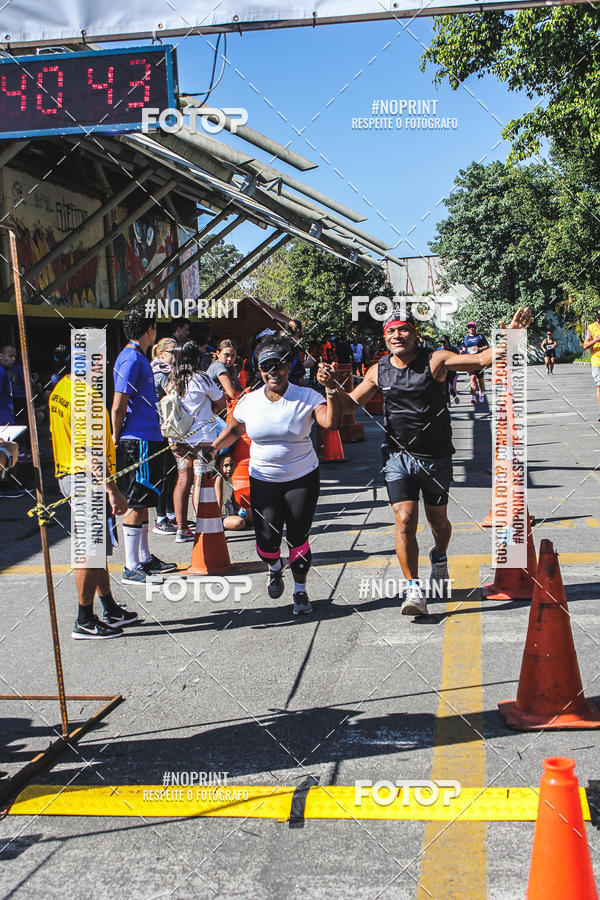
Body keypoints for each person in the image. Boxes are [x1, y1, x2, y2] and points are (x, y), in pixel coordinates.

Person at [333, 306, 532, 617]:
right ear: (384, 338)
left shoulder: (436, 359)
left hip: (436, 457)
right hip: (398, 457)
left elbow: (480, 360)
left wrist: (510, 338)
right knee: (404, 520)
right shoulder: (378, 370)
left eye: (403, 329)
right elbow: (349, 405)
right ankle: (414, 589)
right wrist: (332, 386)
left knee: (438, 521)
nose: (397, 335)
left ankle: (439, 557)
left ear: (415, 334)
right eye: (391, 331)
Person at [209, 334, 342, 616]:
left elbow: (331, 422)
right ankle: (274, 567)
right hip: (264, 480)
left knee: (298, 536)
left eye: (279, 365)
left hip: (302, 478)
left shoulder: (307, 396)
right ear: (259, 370)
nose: (273, 372)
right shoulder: (249, 402)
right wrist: (214, 448)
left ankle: (300, 591)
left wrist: (330, 389)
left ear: (289, 366)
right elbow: (235, 430)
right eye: (265, 367)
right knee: (267, 541)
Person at [49, 354, 138, 638]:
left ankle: (109, 606)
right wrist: (113, 491)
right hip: (86, 479)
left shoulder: (61, 389)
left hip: (70, 474)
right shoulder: (85, 396)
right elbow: (91, 452)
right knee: (90, 550)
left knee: (97, 549)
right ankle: (84, 620)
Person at [111, 303, 176, 584]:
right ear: (150, 330)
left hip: (149, 435)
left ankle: (145, 558)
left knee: (147, 497)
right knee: (137, 499)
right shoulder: (131, 359)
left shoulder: (136, 358)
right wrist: (115, 438)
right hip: (137, 439)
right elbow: (118, 404)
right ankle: (130, 565)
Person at [166, 341, 226, 542]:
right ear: (196, 358)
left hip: (177, 438)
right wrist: (212, 408)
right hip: (203, 439)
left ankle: (182, 528)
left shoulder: (171, 381)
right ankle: (203, 526)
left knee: (183, 479)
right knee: (200, 480)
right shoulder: (201, 378)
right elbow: (221, 401)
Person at [151, 338, 178, 535]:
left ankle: (171, 514)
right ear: (161, 354)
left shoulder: (169, 371)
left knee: (171, 473)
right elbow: (174, 392)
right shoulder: (160, 372)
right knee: (163, 474)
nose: (176, 355)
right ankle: (160, 518)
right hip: (160, 428)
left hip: (168, 428)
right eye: (172, 352)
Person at [214, 453, 251, 531]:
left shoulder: (230, 479)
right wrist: (216, 521)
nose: (229, 468)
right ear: (218, 467)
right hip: (220, 516)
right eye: (226, 466)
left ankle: (237, 521)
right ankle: (223, 524)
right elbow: (218, 502)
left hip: (231, 512)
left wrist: (240, 508)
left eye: (232, 465)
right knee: (239, 522)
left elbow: (233, 500)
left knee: (252, 513)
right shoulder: (219, 479)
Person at [460, 322, 489, 404]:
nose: (471, 328)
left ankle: (481, 393)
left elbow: (487, 346)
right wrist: (462, 350)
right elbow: (463, 346)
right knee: (472, 378)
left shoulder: (480, 336)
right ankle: (473, 397)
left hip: (479, 361)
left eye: (472, 327)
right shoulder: (466, 338)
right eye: (469, 327)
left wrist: (479, 349)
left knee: (480, 379)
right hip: (470, 361)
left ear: (475, 328)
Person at [583, 310, 600, 421]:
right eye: (599, 318)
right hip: (597, 361)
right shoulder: (591, 327)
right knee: (599, 387)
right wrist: (596, 340)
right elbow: (585, 345)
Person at [437, 335, 460, 405]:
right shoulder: (439, 350)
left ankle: (455, 396)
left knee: (451, 388)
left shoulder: (453, 349)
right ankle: (447, 402)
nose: (443, 344)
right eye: (441, 342)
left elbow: (458, 358)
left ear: (448, 342)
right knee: (444, 388)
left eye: (444, 342)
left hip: (451, 371)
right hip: (442, 371)